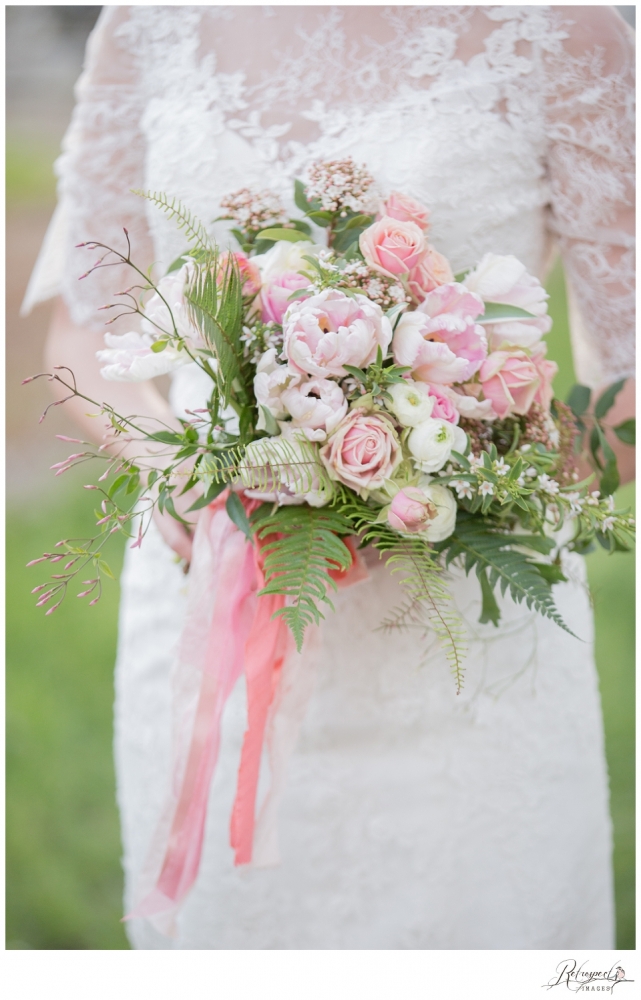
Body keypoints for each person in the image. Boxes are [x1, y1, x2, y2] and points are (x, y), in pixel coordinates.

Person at [24, 6, 634, 949]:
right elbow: (82, 328)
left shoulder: (563, 26)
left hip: (461, 637)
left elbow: (629, 373)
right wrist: (173, 463)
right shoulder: (149, 20)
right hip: (211, 597)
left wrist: (457, 482)